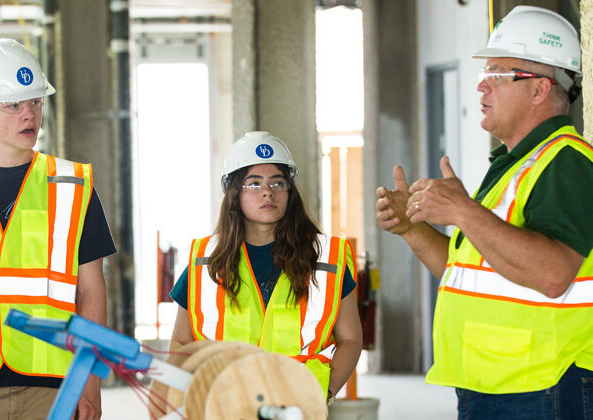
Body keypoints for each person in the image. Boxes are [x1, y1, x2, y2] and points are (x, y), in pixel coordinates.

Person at [376, 6, 593, 420]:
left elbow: (552, 274)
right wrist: (412, 229)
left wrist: (462, 210)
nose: (481, 88)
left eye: (496, 74)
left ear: (540, 89)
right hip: (498, 385)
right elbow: (467, 272)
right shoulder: (512, 165)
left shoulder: (566, 162)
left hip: (543, 386)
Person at [0, 39, 116, 420]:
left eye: (35, 102)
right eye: (13, 105)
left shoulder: (72, 185)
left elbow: (91, 291)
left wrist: (90, 381)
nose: (28, 115)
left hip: (54, 385)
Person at [169, 131, 362, 402]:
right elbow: (180, 341)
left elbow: (351, 339)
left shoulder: (328, 257)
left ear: (289, 192)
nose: (268, 192)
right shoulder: (205, 260)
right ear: (235, 194)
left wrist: (324, 394)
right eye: (254, 183)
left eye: (277, 182)